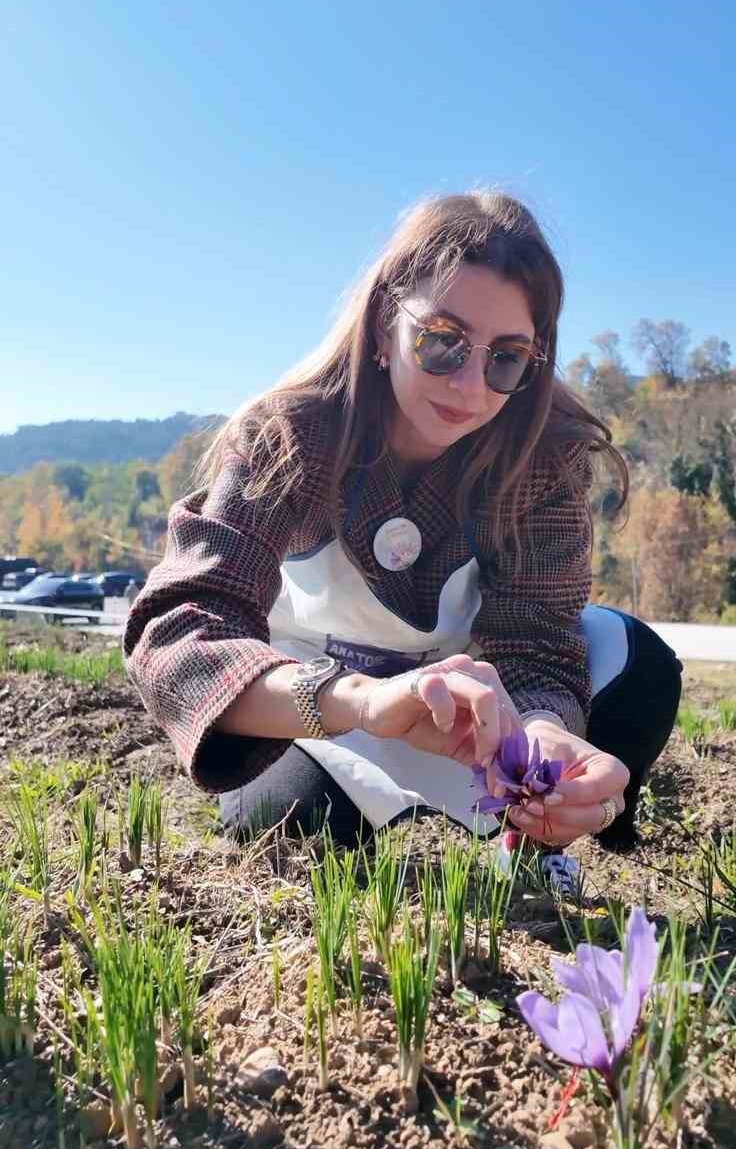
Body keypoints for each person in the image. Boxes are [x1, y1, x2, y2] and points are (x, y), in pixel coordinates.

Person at [123, 189, 682, 860]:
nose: (471, 386)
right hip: (323, 701)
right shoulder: (287, 436)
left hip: (473, 711)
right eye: (442, 342)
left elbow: (538, 647)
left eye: (506, 357)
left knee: (640, 663)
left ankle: (545, 841)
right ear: (386, 323)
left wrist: (542, 732)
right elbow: (181, 629)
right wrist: (355, 699)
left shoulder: (547, 457)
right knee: (289, 820)